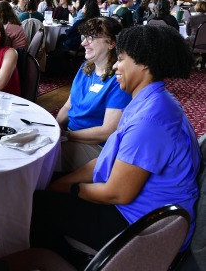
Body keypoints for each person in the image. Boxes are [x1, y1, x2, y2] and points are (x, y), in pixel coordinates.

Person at [31, 25, 199, 269]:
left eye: (121, 60)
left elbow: (117, 193)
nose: (116, 67)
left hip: (144, 228)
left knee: (37, 207)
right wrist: (60, 184)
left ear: (143, 64)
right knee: (48, 186)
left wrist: (73, 189)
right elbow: (105, 161)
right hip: (139, 212)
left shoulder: (151, 119)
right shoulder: (149, 99)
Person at [56, 17, 131, 172]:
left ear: (111, 43)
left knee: (45, 155)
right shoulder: (86, 68)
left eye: (91, 38)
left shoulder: (118, 80)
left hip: (96, 148)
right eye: (85, 37)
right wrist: (55, 128)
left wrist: (67, 136)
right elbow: (68, 106)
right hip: (71, 136)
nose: (83, 43)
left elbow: (107, 131)